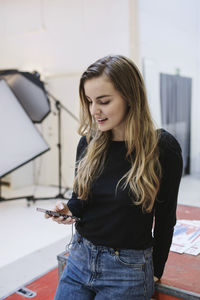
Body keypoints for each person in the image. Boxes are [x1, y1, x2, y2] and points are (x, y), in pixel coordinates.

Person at [46, 55, 183, 300]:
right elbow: (81, 199)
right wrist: (67, 209)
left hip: (127, 270)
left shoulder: (162, 148)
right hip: (79, 258)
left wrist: (156, 269)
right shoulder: (88, 142)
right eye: (89, 101)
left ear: (130, 97)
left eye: (104, 101)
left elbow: (165, 219)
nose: (94, 110)